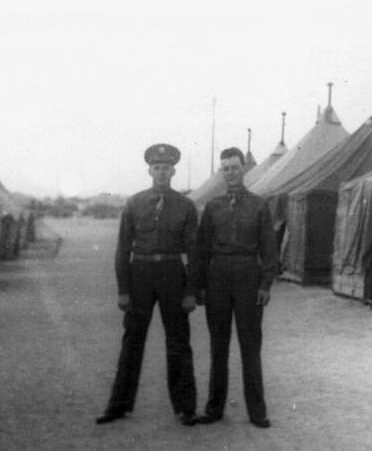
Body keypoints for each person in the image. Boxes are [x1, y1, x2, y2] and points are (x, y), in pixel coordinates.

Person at [96, 143, 199, 426]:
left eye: (166, 168)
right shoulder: (134, 203)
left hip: (171, 273)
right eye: (157, 168)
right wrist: (123, 289)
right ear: (149, 170)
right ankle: (118, 404)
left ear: (173, 171)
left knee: (178, 341)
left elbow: (195, 252)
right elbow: (122, 248)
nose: (161, 172)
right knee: (132, 340)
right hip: (139, 272)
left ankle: (185, 407)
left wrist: (191, 291)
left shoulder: (186, 206)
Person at [196, 147, 277, 429]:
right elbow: (202, 248)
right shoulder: (212, 207)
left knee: (250, 346)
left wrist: (265, 284)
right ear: (221, 172)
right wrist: (201, 287)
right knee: (219, 346)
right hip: (217, 276)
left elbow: (269, 248)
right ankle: (214, 408)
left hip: (247, 277)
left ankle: (257, 412)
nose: (230, 172)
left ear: (243, 169)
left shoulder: (259, 205)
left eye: (234, 167)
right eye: (225, 168)